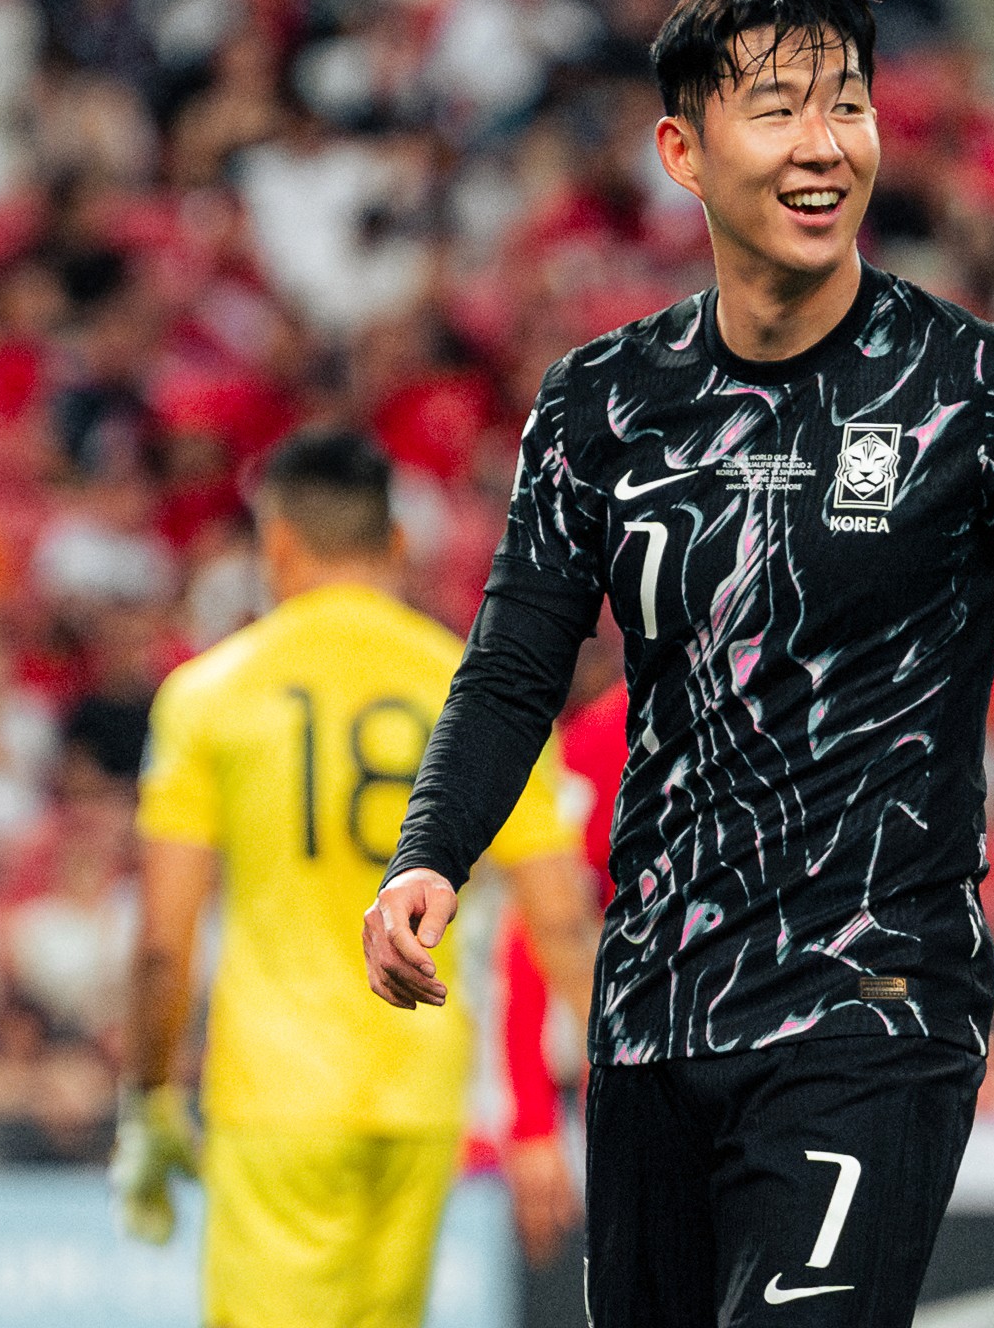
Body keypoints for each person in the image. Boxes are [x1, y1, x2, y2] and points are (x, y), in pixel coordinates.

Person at [363, 0, 994, 1328]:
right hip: (654, 1014)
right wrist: (430, 853)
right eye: (778, 109)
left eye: (849, 104)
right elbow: (514, 664)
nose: (824, 144)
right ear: (683, 152)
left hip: (876, 1000)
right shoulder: (599, 406)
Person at [111, 428, 598, 1328]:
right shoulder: (479, 689)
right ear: (398, 543)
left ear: (277, 544)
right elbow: (563, 923)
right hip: (422, 1093)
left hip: (276, 1095)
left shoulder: (214, 693)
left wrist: (148, 1097)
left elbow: (161, 946)